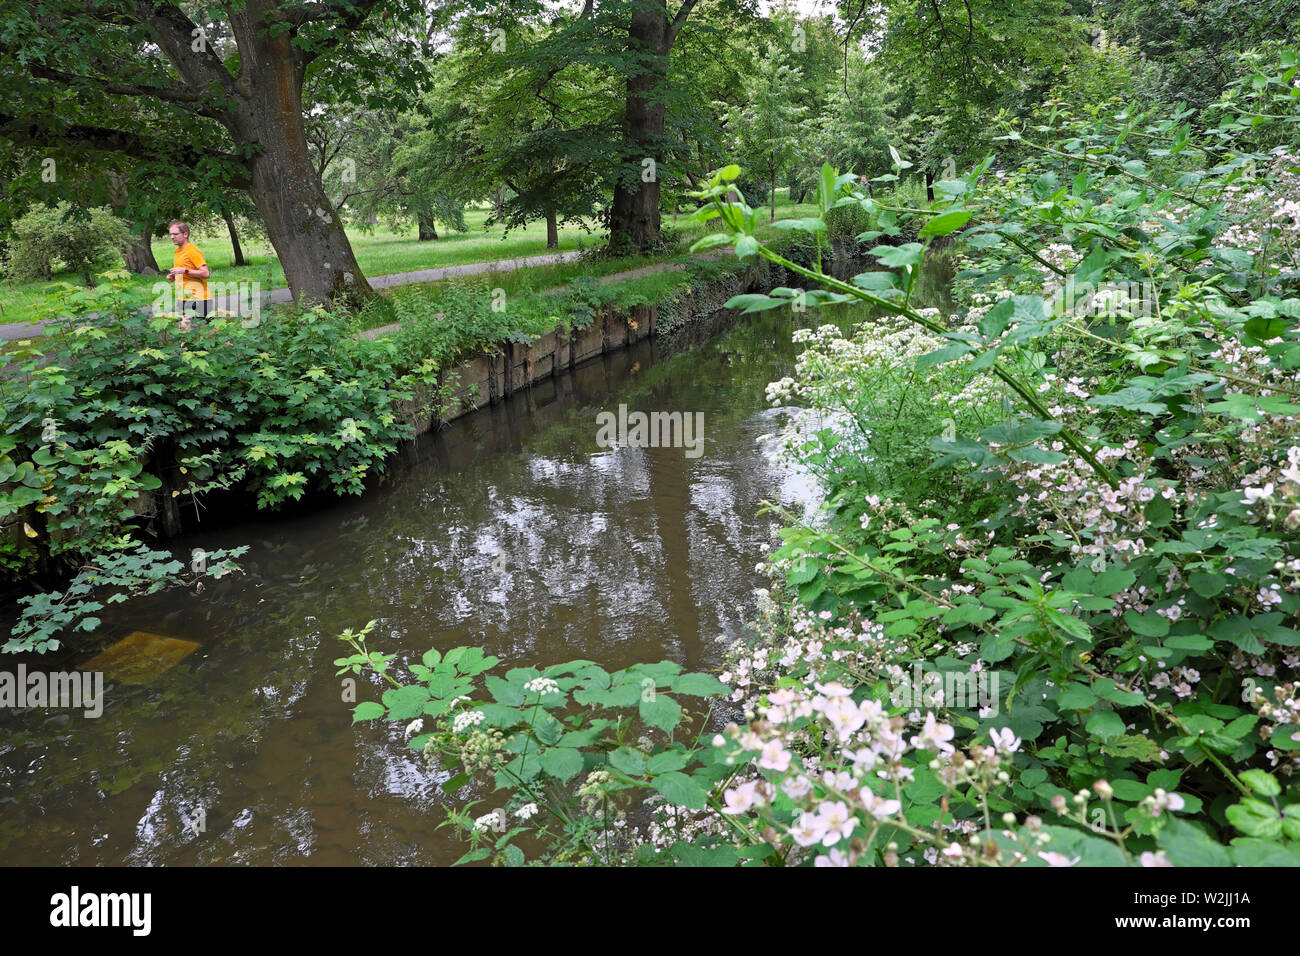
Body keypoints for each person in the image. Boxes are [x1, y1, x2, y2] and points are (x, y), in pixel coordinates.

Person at [166, 221, 212, 326]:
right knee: (207, 330)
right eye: (171, 234)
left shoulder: (192, 250)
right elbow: (185, 271)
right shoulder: (178, 251)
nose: (172, 237)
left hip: (198, 297)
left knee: (208, 330)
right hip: (184, 297)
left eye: (175, 234)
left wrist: (185, 271)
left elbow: (206, 273)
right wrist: (174, 276)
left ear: (185, 234)